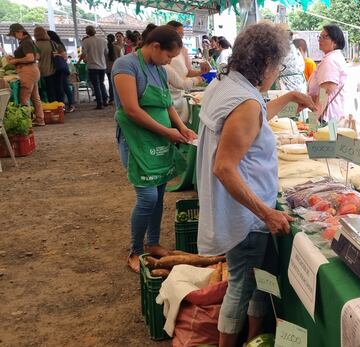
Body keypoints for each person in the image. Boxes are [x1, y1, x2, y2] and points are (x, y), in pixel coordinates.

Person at [196, 22, 316, 346]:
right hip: (246, 217)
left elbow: (258, 112)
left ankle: (253, 337)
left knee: (257, 281)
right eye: (278, 66)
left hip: (247, 213)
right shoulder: (245, 101)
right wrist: (266, 213)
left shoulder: (229, 84)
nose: (277, 73)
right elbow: (224, 167)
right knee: (241, 285)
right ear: (265, 63)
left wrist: (290, 96)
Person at [111, 25, 196, 273]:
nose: (169, 61)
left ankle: (153, 242)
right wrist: (167, 132)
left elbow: (167, 103)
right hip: (137, 140)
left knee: (158, 193)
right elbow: (132, 109)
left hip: (158, 140)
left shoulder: (158, 69)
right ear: (155, 46)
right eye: (169, 56)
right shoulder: (126, 66)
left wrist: (181, 127)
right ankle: (135, 250)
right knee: (147, 197)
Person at [165, 21, 211, 122]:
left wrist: (201, 72)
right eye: (179, 33)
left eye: (182, 34)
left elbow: (188, 71)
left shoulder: (183, 50)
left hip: (181, 94)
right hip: (168, 93)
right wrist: (195, 80)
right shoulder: (163, 54)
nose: (181, 36)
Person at [307, 24, 349, 124]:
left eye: (324, 37)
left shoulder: (330, 61)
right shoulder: (334, 57)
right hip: (330, 116)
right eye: (319, 36)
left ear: (335, 42)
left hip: (327, 119)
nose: (320, 39)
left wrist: (312, 121)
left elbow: (324, 93)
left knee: (328, 139)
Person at [5, 23, 45, 125]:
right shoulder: (29, 41)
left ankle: (26, 122)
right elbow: (37, 56)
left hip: (27, 72)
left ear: (19, 32)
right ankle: (40, 119)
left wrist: (15, 60)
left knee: (24, 98)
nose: (14, 37)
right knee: (35, 97)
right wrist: (15, 59)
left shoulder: (26, 42)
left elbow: (30, 57)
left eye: (14, 34)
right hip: (33, 70)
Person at [78, 25, 109, 109]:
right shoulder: (103, 41)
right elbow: (106, 52)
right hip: (102, 65)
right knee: (101, 83)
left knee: (96, 85)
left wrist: (78, 62)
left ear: (86, 32)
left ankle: (100, 103)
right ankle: (105, 100)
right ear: (94, 31)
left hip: (92, 66)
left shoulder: (86, 41)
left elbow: (83, 54)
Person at [34, 27, 65, 106]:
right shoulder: (52, 42)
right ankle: (61, 107)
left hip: (45, 70)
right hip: (57, 68)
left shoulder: (35, 45)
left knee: (50, 91)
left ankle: (54, 108)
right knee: (59, 89)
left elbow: (37, 57)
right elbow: (63, 55)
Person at [49, 31, 75, 113]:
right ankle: (64, 105)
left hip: (61, 69)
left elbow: (65, 57)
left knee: (65, 87)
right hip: (59, 69)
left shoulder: (58, 45)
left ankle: (71, 104)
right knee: (62, 87)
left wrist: (56, 54)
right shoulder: (55, 45)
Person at [276, 24, 307, 92]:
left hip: (290, 89)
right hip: (298, 89)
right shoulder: (293, 49)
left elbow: (325, 90)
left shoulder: (285, 51)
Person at [106, 34, 123, 104]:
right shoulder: (118, 48)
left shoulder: (105, 48)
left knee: (110, 83)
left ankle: (111, 99)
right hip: (117, 68)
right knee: (118, 84)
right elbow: (122, 58)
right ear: (114, 39)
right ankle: (119, 98)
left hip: (108, 68)